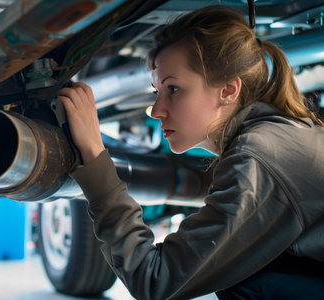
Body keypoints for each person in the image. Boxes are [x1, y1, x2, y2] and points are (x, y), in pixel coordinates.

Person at [57, 5, 324, 300]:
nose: (156, 110)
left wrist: (95, 155)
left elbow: (156, 281)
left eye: (173, 89)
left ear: (228, 91)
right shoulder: (281, 135)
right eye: (157, 91)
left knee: (246, 279)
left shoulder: (258, 157)